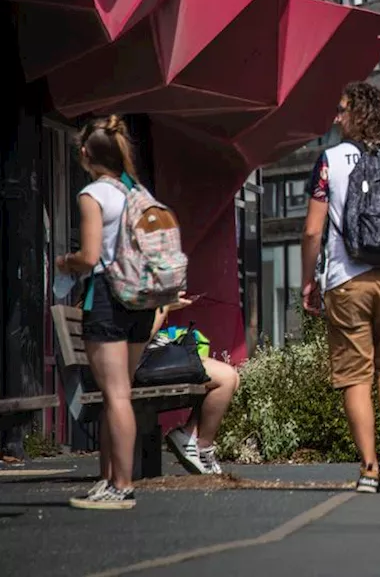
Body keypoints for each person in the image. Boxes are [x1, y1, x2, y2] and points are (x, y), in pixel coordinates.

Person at [302, 82, 380, 494]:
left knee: (355, 375)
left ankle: (370, 468)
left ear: (358, 115)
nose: (336, 118)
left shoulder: (330, 161)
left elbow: (311, 230)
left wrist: (309, 280)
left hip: (347, 280)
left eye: (342, 111)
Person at [57, 117, 151, 509]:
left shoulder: (92, 194)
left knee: (115, 395)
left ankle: (122, 486)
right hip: (143, 302)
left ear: (85, 154)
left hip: (109, 300)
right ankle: (110, 480)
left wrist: (65, 262)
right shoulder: (137, 192)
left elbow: (91, 256)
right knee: (120, 394)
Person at [159, 305, 241, 475]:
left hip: (156, 352)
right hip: (146, 360)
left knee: (232, 377)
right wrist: (164, 307)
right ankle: (202, 445)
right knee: (226, 378)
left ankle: (191, 434)